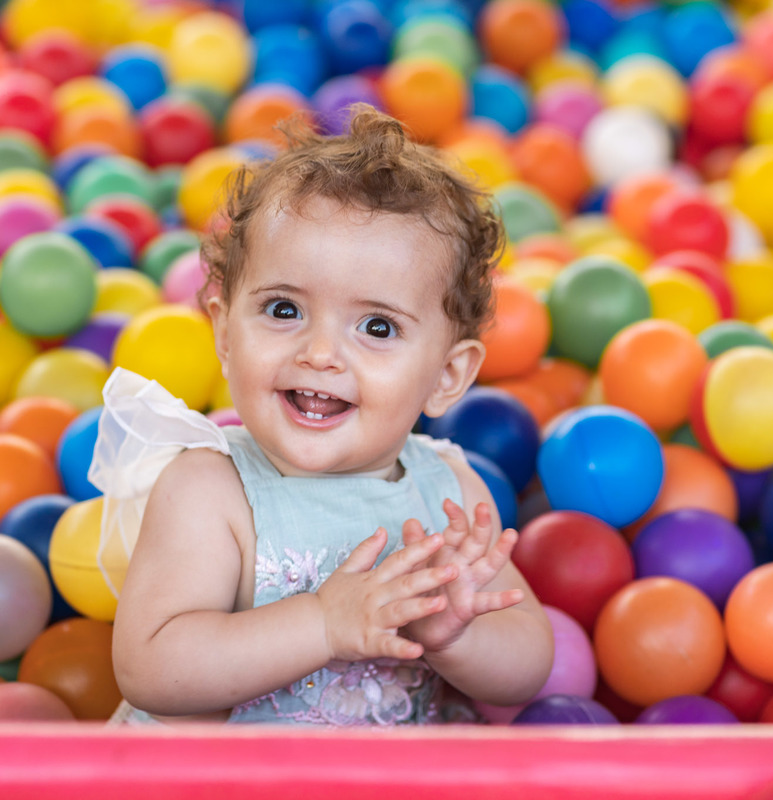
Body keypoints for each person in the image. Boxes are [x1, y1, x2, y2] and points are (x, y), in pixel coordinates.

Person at [91, 105, 555, 727]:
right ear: (225, 333)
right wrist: (323, 623)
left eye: (377, 326)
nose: (319, 353)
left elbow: (528, 666)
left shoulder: (449, 492)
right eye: (284, 310)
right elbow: (150, 667)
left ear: (447, 375)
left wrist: (457, 635)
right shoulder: (209, 489)